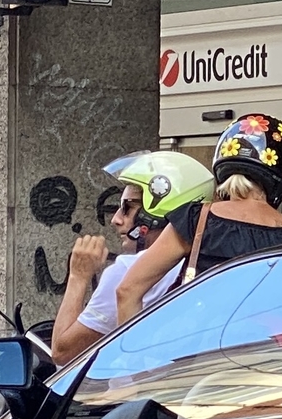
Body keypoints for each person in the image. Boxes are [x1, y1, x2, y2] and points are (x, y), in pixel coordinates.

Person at [110, 114, 282, 325]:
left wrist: (135, 347)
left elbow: (127, 291)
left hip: (204, 345)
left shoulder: (196, 220)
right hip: (270, 346)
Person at [49, 148, 213, 366]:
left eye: (127, 208)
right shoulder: (211, 266)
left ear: (157, 213)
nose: (116, 219)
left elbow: (62, 353)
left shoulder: (127, 272)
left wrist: (78, 276)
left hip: (137, 386)